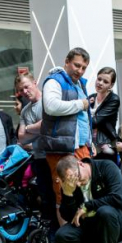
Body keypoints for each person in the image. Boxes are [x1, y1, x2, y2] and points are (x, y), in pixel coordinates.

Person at [54, 155, 122, 243]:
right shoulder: (70, 182)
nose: (78, 184)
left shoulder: (106, 167)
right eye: (73, 181)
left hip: (116, 220)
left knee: (105, 212)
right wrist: (68, 194)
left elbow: (118, 198)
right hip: (88, 225)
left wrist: (87, 206)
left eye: (78, 177)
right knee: (62, 236)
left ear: (81, 164)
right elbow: (69, 216)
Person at [40, 47, 94, 219]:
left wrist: (89, 142)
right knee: (63, 193)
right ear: (67, 62)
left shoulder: (79, 84)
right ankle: (67, 240)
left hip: (80, 146)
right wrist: (80, 104)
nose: (80, 70)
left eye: (84, 67)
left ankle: (85, 236)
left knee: (85, 191)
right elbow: (51, 106)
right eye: (77, 65)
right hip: (61, 148)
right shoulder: (54, 81)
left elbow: (82, 120)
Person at [89, 67, 120, 160]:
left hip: (106, 144)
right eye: (99, 79)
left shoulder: (113, 99)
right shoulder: (91, 98)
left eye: (105, 82)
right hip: (90, 144)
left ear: (111, 85)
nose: (100, 83)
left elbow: (96, 121)